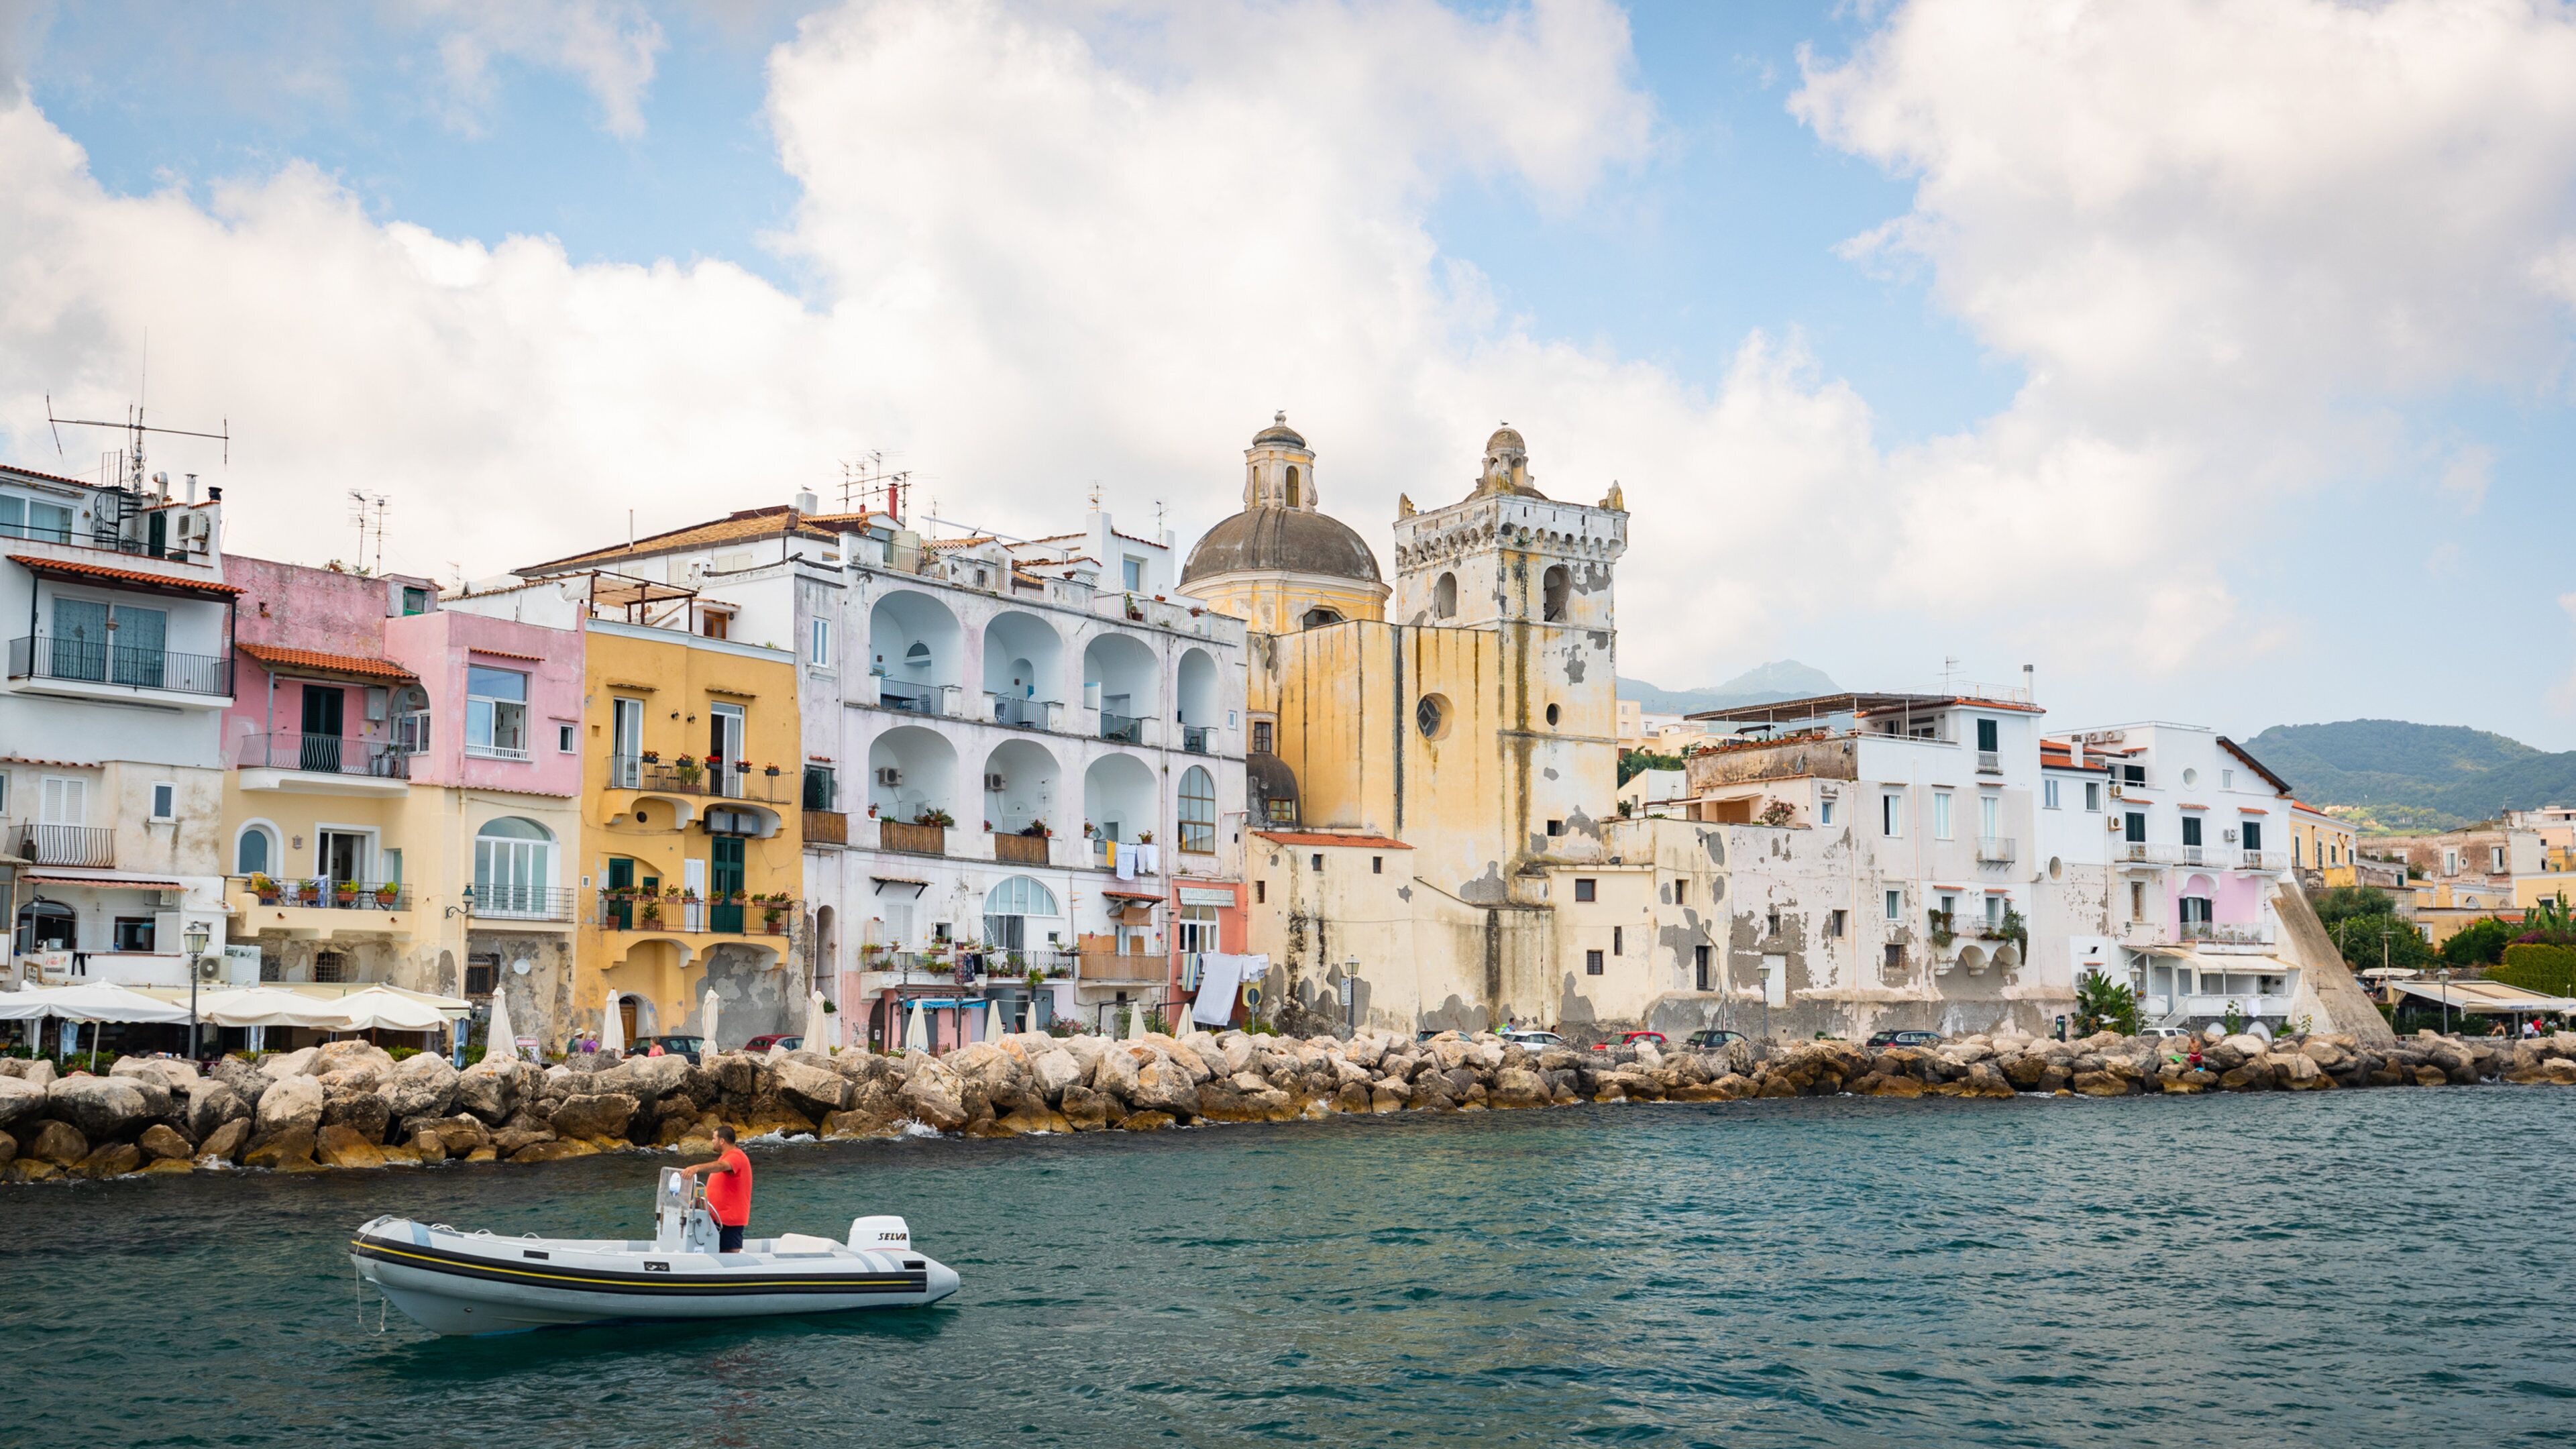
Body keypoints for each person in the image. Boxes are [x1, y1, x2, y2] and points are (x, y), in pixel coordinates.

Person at [679, 1124, 753, 1252]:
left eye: (714, 1138)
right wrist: (699, 1202)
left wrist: (696, 1168)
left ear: (722, 1141)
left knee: (730, 1252)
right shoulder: (725, 1157)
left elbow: (721, 1166)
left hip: (729, 1219)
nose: (712, 1141)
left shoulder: (736, 1156)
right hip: (716, 1217)